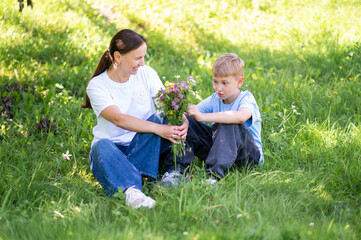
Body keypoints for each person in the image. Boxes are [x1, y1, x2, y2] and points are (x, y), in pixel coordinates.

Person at [82, 29, 188, 209]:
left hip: (144, 147)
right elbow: (118, 119)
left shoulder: (146, 73)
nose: (142, 63)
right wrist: (158, 129)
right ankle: (133, 192)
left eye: (143, 57)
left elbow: (167, 106)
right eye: (137, 58)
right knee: (101, 147)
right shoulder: (97, 85)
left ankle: (167, 173)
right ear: (117, 57)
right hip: (114, 151)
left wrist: (183, 120)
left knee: (164, 118)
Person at [161, 53, 263, 186]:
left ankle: (213, 177)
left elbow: (241, 116)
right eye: (215, 81)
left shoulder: (246, 99)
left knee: (228, 121)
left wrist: (203, 116)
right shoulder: (215, 98)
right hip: (222, 150)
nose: (218, 88)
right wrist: (181, 112)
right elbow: (194, 116)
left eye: (225, 83)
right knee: (189, 123)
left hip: (247, 157)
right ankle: (178, 170)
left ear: (239, 82)